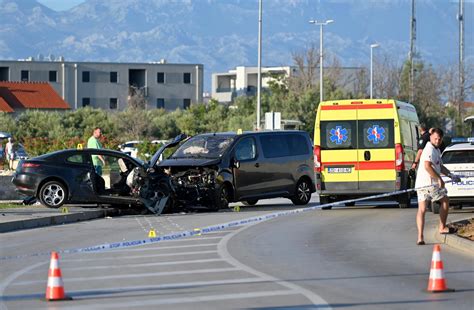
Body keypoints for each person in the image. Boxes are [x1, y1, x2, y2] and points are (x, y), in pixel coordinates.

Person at [415, 128, 457, 245]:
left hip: (421, 184)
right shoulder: (429, 149)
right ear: (430, 137)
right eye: (435, 138)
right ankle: (442, 227)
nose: (437, 141)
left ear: (441, 139)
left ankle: (420, 237)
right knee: (445, 200)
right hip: (430, 184)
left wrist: (451, 175)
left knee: (422, 209)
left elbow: (440, 166)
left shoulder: (436, 149)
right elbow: (427, 166)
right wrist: (439, 179)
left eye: (439, 139)